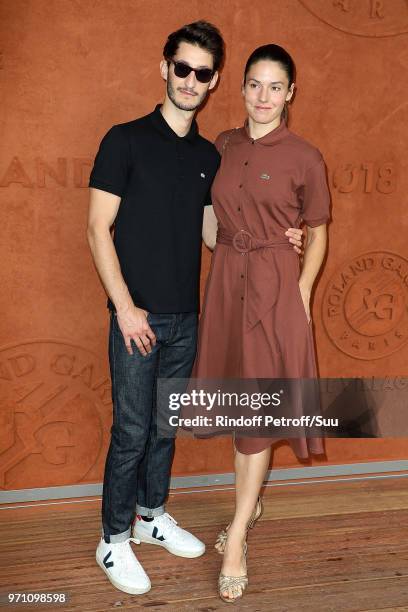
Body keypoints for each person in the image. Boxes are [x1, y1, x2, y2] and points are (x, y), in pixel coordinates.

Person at [87, 21, 303, 596]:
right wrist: (126, 309)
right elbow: (97, 228)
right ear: (165, 69)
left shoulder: (211, 155)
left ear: (212, 83)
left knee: (164, 427)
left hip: (188, 316)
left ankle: (151, 515)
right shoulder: (124, 139)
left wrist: (282, 239)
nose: (190, 80)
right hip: (137, 315)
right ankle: (113, 538)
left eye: (203, 73)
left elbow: (217, 230)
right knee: (132, 430)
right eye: (181, 68)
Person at [194, 44, 331, 603]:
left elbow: (318, 231)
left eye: (276, 86)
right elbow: (210, 220)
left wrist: (300, 288)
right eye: (255, 84)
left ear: (291, 93)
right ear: (242, 87)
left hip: (276, 290)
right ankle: (249, 505)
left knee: (256, 413)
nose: (264, 96)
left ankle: (237, 540)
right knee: (236, 404)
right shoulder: (223, 145)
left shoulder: (306, 156)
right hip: (228, 282)